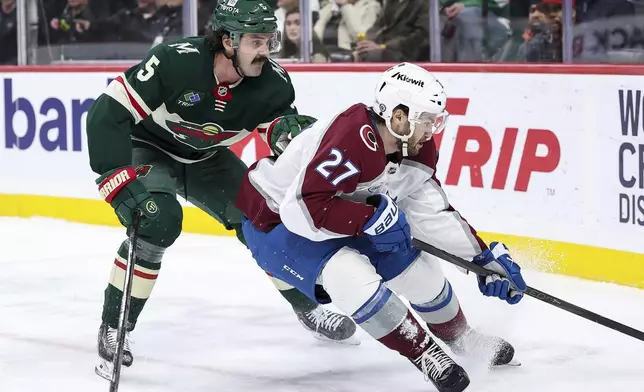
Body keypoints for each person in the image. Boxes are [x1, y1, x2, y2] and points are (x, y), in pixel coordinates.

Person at [86, 0, 358, 380]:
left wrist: (289, 135)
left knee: (265, 220)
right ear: (228, 41)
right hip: (148, 147)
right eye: (256, 41)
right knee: (158, 223)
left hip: (207, 158)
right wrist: (115, 178)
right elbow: (108, 111)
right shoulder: (175, 61)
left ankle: (307, 306)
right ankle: (115, 327)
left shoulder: (273, 83)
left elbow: (277, 126)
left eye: (269, 41)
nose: (266, 51)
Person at [235, 62, 527, 392]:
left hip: (339, 218)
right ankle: (425, 354)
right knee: (349, 274)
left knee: (418, 268)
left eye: (435, 120)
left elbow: (430, 212)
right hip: (274, 224)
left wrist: (482, 259)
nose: (431, 130)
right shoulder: (352, 137)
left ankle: (461, 337)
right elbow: (301, 209)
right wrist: (367, 219)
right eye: (426, 120)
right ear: (398, 117)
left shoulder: (415, 147)